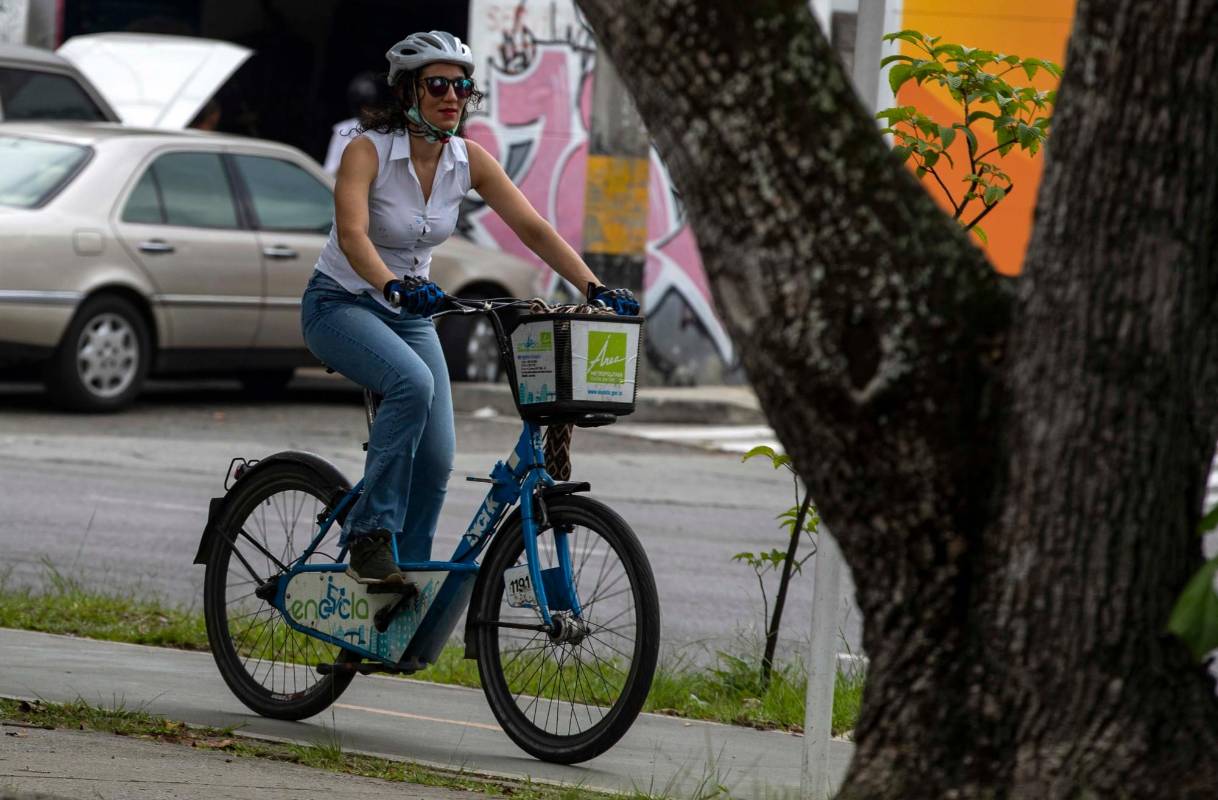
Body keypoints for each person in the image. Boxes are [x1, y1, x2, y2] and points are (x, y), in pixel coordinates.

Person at [300, 31, 639, 586]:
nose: (452, 97)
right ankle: (368, 537)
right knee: (412, 385)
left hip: (409, 314)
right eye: (438, 85)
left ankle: (405, 585)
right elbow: (354, 235)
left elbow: (532, 227)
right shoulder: (368, 151)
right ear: (408, 92)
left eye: (462, 87)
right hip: (340, 304)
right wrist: (393, 285)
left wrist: (593, 287)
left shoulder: (467, 160)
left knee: (436, 460)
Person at [323, 72, 380, 176]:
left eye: (372, 107)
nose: (369, 112)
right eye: (365, 107)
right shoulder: (343, 130)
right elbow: (329, 172)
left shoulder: (386, 132)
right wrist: (350, 160)